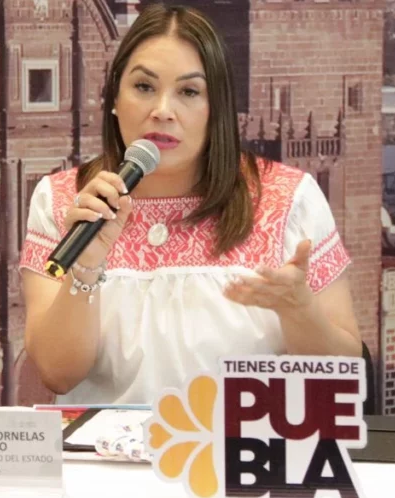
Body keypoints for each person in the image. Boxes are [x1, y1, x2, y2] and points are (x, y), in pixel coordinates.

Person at [20, 5, 362, 405]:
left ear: (215, 108)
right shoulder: (64, 199)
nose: (162, 111)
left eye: (188, 92)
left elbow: (345, 375)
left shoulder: (288, 198)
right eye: (144, 87)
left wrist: (299, 310)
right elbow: (58, 374)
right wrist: (88, 264)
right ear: (114, 98)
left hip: (243, 457)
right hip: (103, 458)